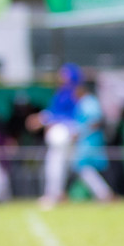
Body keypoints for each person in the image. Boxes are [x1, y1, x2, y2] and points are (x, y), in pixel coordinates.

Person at [29, 64, 81, 209]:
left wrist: (43, 120)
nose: (60, 77)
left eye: (64, 74)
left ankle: (54, 195)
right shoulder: (62, 92)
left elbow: (64, 116)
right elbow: (54, 112)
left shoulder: (72, 93)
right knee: (58, 165)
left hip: (65, 134)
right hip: (64, 134)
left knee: (58, 165)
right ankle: (56, 194)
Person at [70, 76, 114, 202]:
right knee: (84, 169)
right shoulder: (85, 102)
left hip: (90, 142)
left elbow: (95, 121)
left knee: (84, 168)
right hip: (86, 142)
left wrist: (80, 132)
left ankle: (104, 194)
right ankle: (102, 194)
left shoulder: (89, 102)